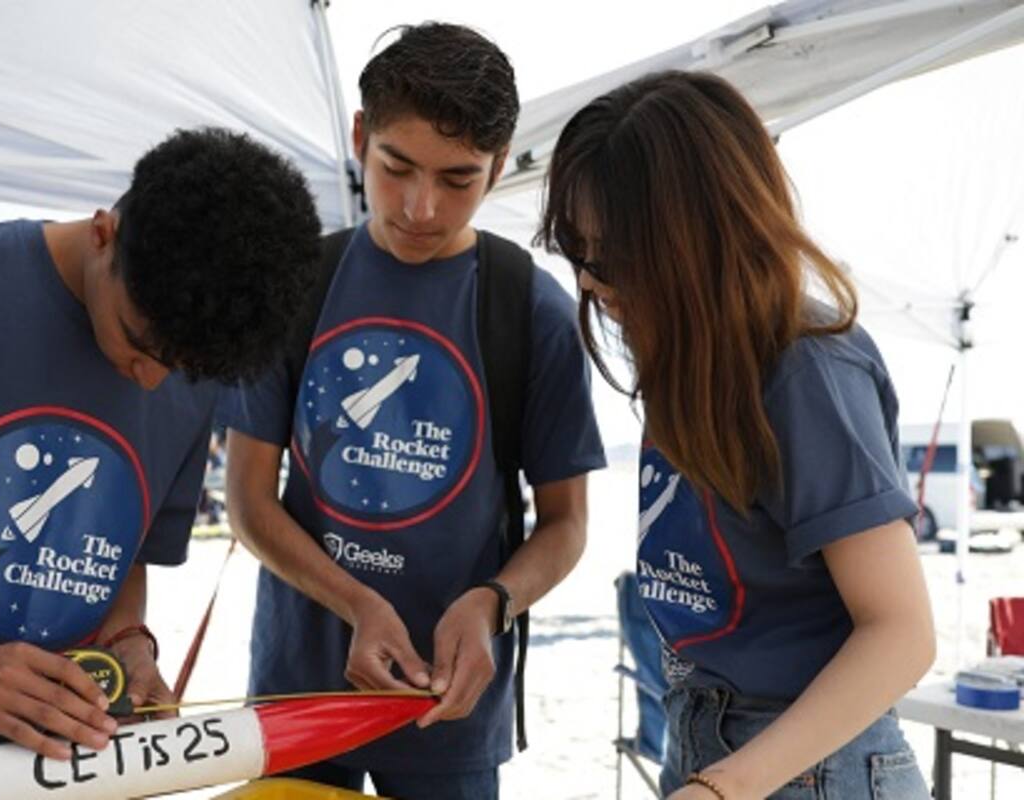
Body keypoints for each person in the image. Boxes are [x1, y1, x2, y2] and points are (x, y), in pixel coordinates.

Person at [0, 127, 322, 790]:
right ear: (102, 234)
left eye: (179, 369)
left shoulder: (190, 366)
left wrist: (128, 643)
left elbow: (120, 550)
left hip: (57, 765)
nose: (149, 381)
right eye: (138, 344)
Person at [223, 23, 605, 800]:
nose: (421, 208)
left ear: (499, 167)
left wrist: (492, 603)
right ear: (361, 137)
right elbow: (248, 503)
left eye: (458, 179)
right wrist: (358, 603)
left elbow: (566, 525)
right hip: (300, 694)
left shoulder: (530, 309)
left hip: (450, 711)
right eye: (396, 168)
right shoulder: (293, 283)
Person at [538, 70, 936, 800]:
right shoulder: (686, 354)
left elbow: (901, 633)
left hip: (811, 767)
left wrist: (729, 785)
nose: (592, 285)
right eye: (580, 252)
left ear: (698, 239)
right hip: (709, 742)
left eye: (613, 258)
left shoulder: (806, 369)